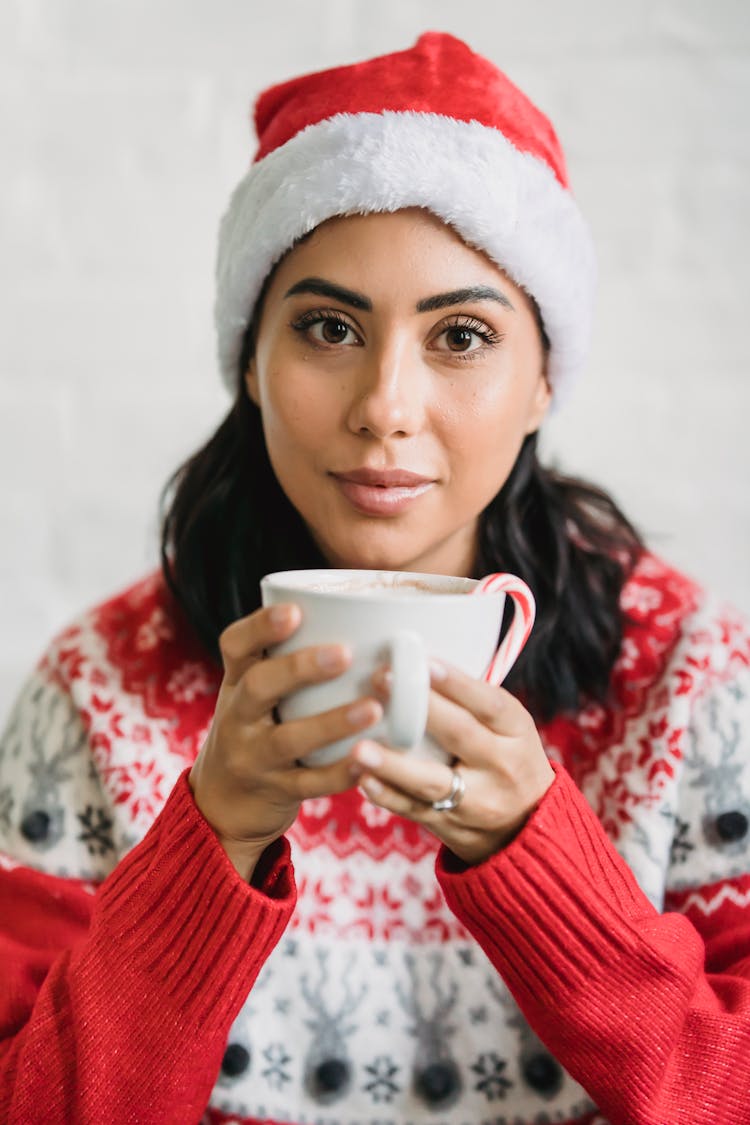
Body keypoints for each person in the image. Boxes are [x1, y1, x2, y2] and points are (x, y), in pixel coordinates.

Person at [1, 30, 749, 1125]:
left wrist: (540, 865)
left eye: (460, 336)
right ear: (250, 361)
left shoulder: (691, 681)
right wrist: (213, 836)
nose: (386, 406)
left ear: (545, 378)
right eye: (329, 327)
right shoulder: (95, 693)